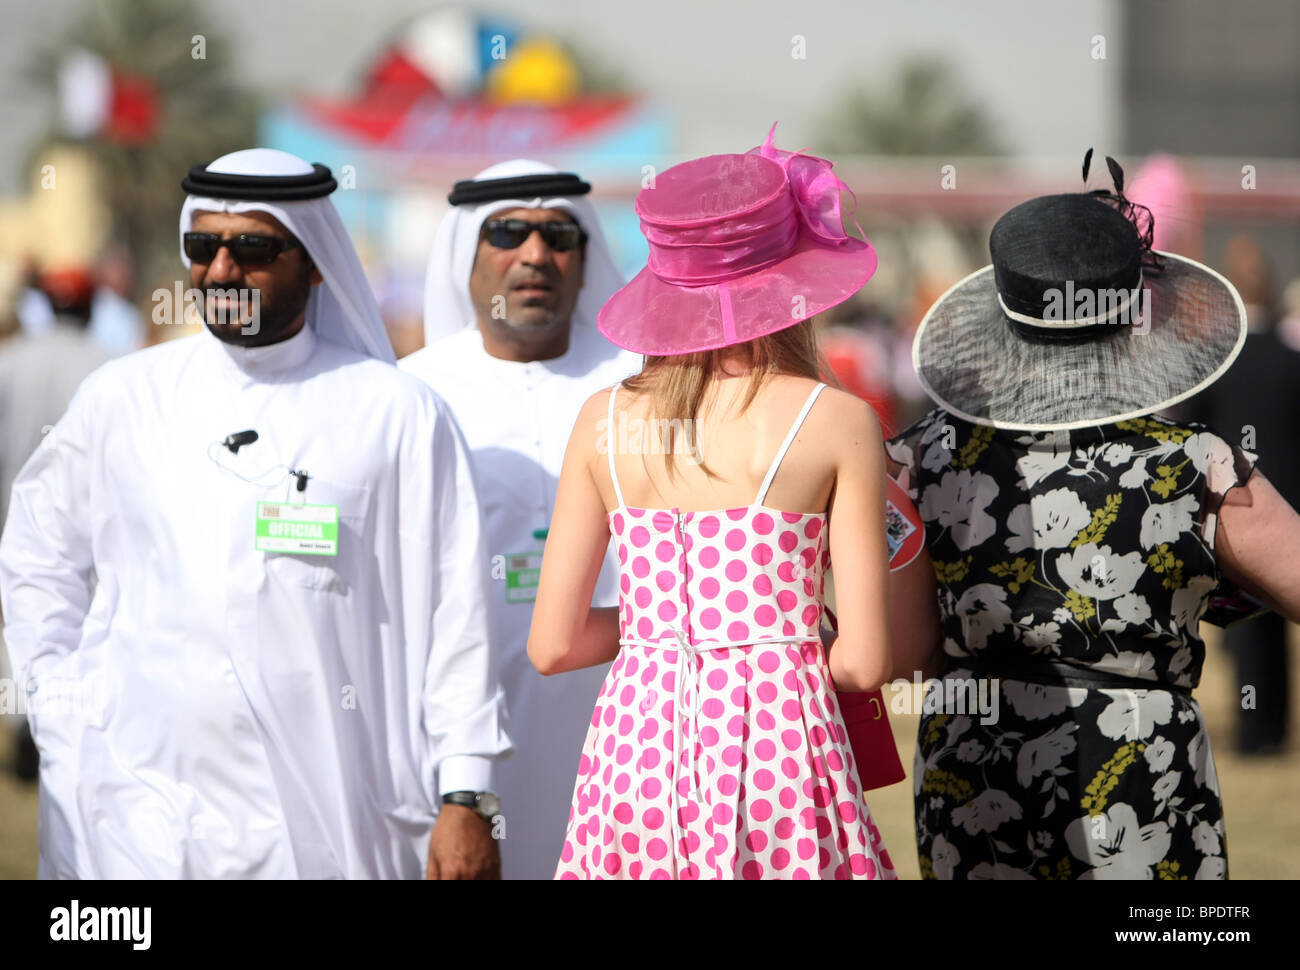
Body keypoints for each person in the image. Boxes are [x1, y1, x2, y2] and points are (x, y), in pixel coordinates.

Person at [0, 148, 511, 879]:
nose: (221, 271)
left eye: (252, 249)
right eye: (204, 247)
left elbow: (455, 613)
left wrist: (466, 790)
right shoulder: (125, 398)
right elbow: (38, 557)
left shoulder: (394, 413)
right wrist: (60, 709)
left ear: (314, 260)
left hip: (329, 811)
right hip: (135, 810)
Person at [886, 159, 1300, 879]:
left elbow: (903, 649)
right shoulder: (1193, 465)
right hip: (1142, 771)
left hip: (974, 773)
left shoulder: (919, 459)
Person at [528, 129, 900, 879]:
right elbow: (863, 662)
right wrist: (765, 637)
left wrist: (668, 628)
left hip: (636, 749)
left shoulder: (602, 419)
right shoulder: (835, 420)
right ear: (794, 280)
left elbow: (552, 646)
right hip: (782, 752)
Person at [402, 161, 639, 879]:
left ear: (585, 253)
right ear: (463, 255)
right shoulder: (410, 395)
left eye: (557, 234)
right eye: (507, 233)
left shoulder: (646, 383)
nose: (535, 254)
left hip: (628, 730)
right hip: (462, 744)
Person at [1184, 237, 1297, 755]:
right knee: (1278, 623)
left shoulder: (1216, 364)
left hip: (1229, 507)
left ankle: (1255, 735)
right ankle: (1273, 725)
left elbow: (1191, 434)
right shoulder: (1291, 359)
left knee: (1244, 626)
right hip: (1289, 503)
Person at [0, 265, 108, 783]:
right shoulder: (109, 368)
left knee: (16, 620)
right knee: (72, 623)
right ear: (88, 308)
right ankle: (52, 734)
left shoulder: (10, 361)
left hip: (9, 516)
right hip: (82, 527)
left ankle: (25, 733)